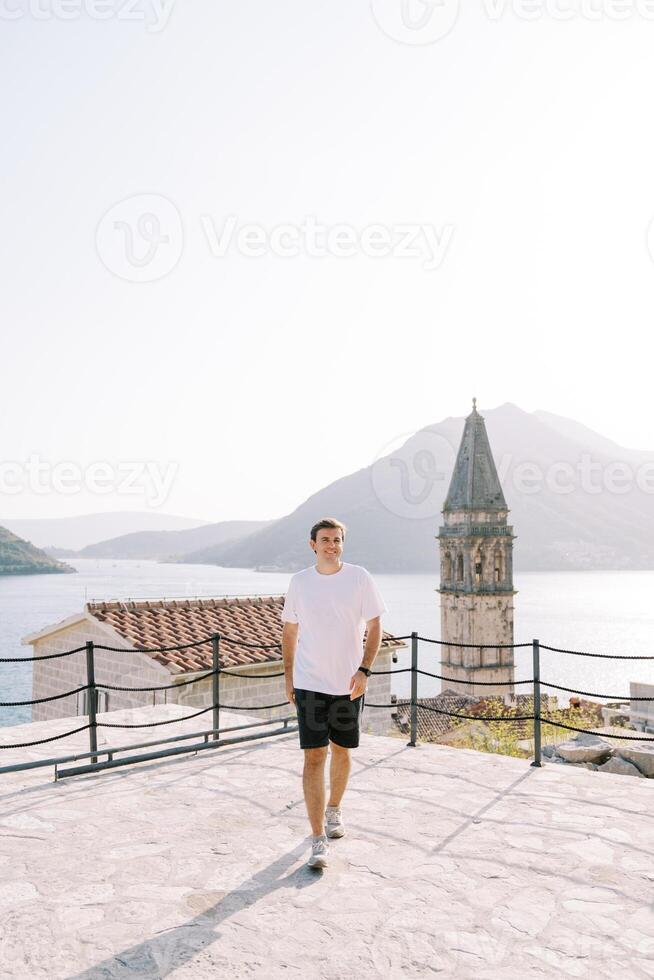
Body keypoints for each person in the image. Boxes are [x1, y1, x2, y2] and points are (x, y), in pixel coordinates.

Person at [281, 517, 388, 870]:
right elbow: (290, 631)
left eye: (337, 540)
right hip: (310, 683)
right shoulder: (300, 583)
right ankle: (317, 839)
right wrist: (288, 676)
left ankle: (334, 809)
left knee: (342, 751)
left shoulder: (359, 578)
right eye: (325, 540)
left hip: (347, 685)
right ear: (312, 544)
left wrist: (365, 670)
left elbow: (375, 627)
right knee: (313, 757)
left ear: (343, 543)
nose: (331, 545)